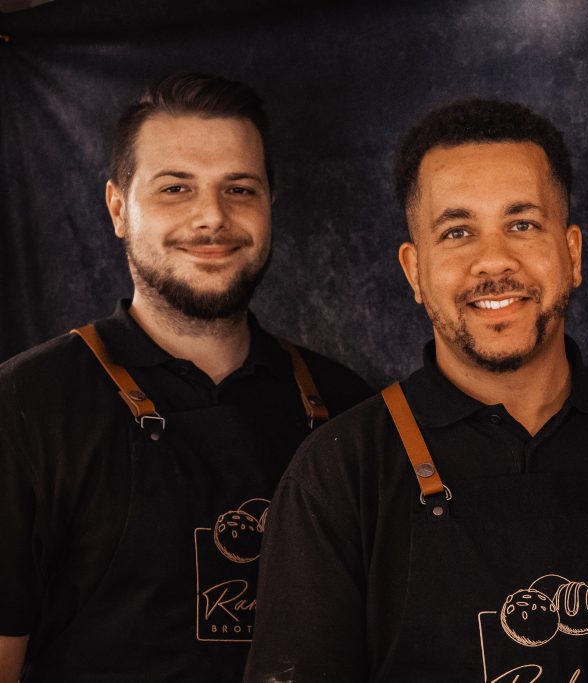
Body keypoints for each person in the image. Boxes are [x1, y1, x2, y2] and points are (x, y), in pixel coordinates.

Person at [244, 98, 588, 682]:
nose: (493, 261)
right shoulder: (340, 472)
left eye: (522, 224)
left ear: (572, 253)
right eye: (458, 232)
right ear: (414, 272)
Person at [0, 73, 372, 683]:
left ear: (270, 205)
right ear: (118, 209)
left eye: (240, 189)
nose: (212, 217)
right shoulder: (24, 406)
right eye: (176, 188)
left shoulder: (349, 406)